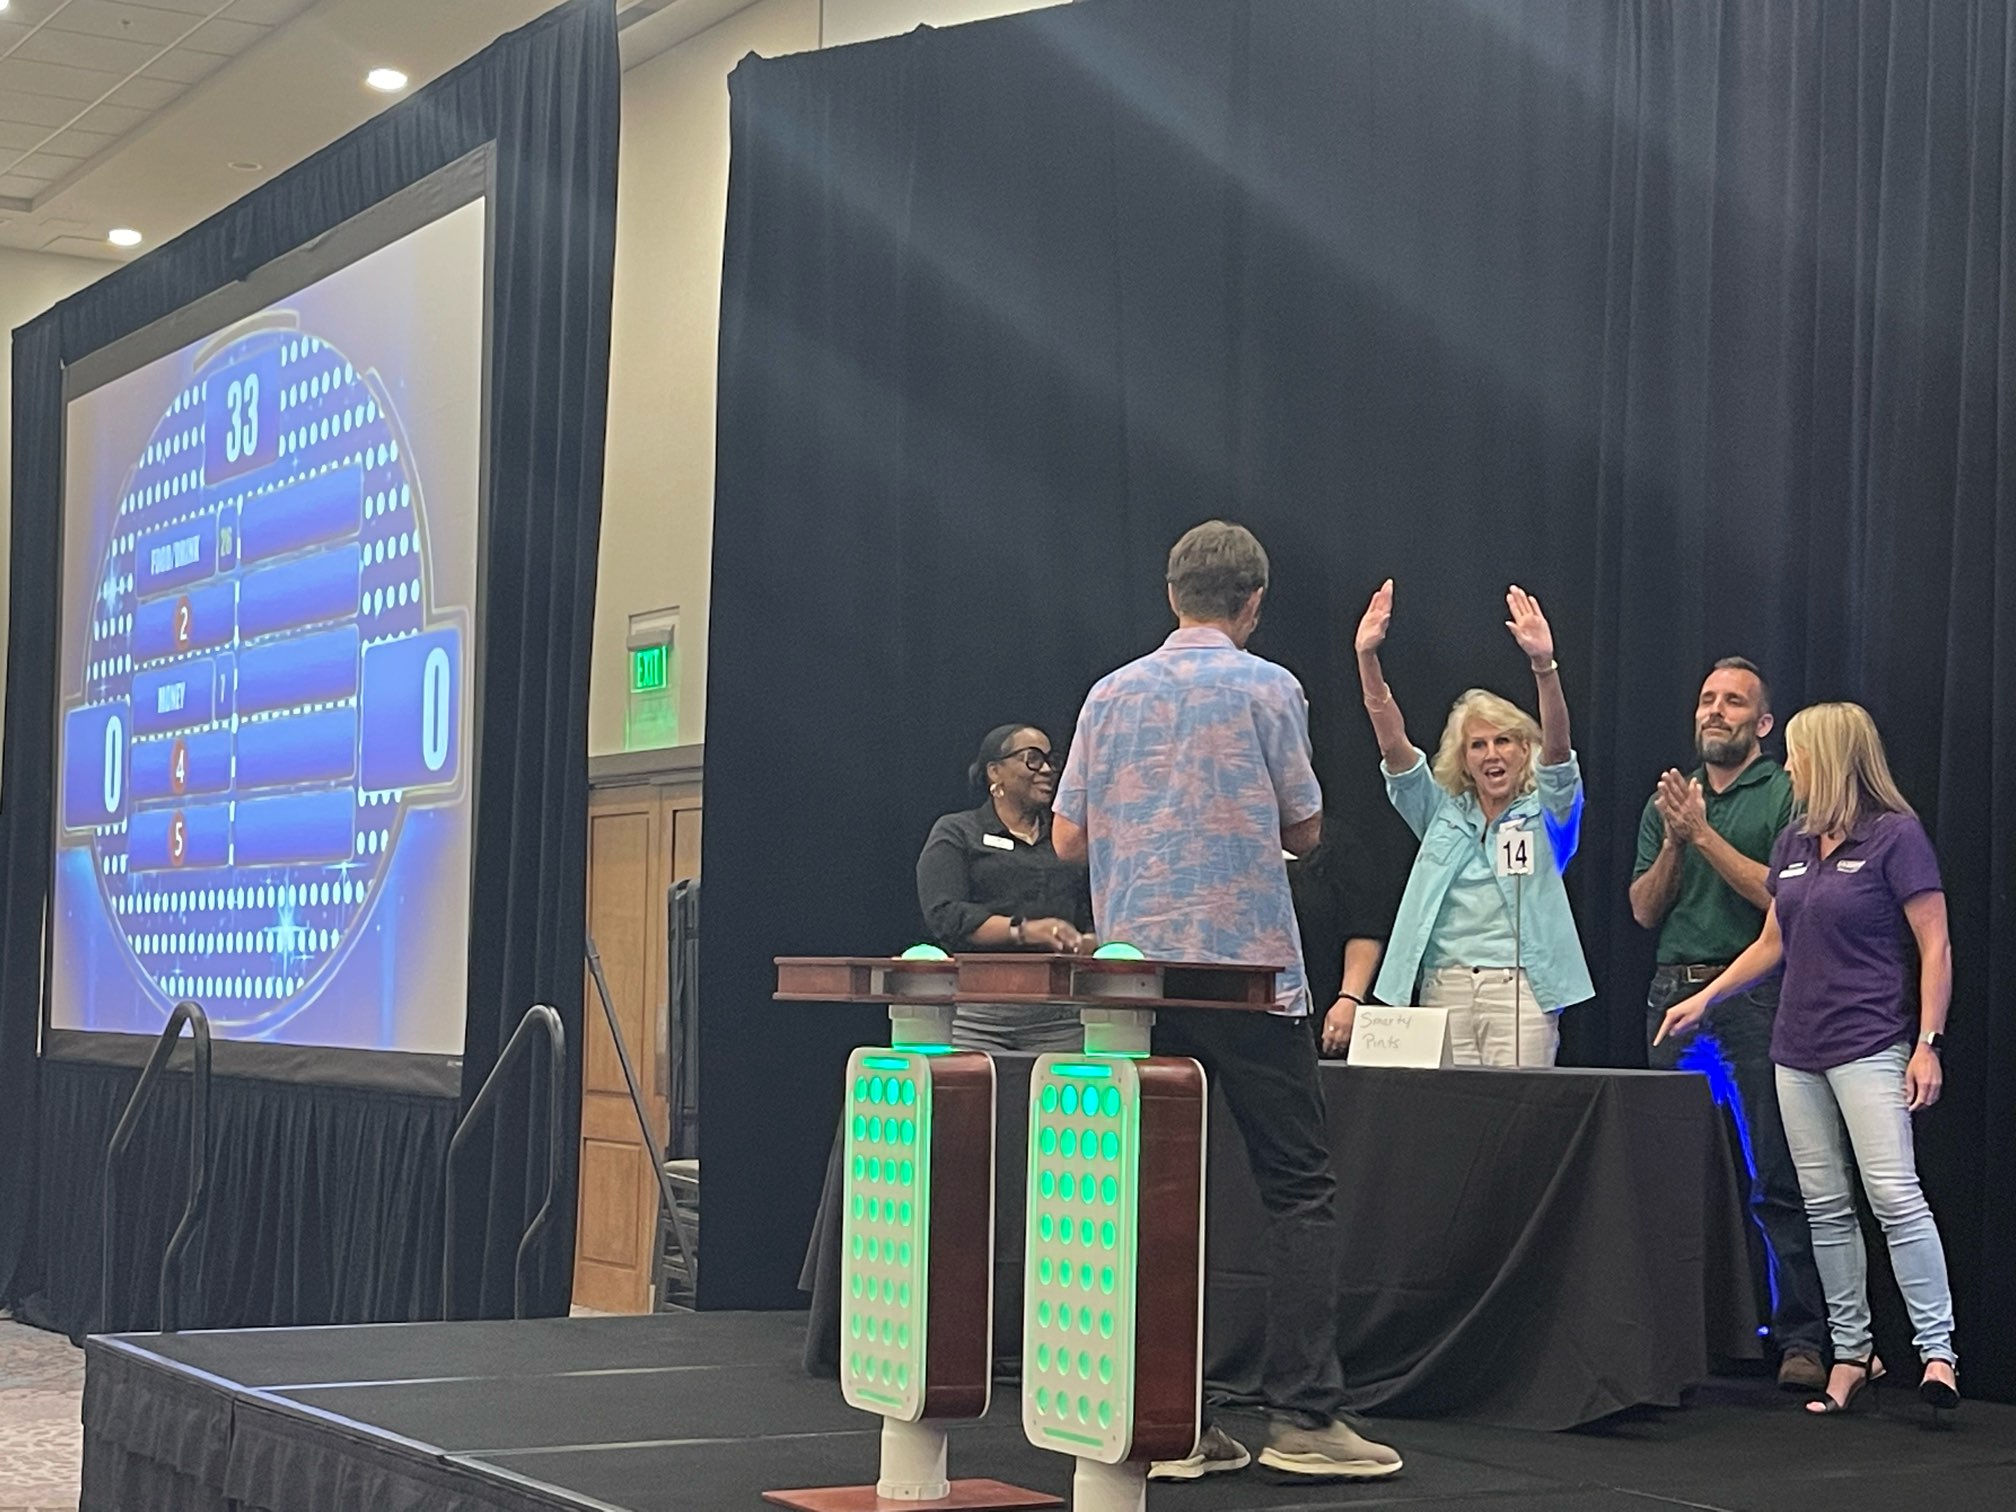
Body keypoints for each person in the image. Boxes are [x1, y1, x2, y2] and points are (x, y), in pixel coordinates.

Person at [1053, 520, 1402, 1483]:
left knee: (1148, 1191)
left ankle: (1166, 1419)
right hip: (1244, 975)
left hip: (1134, 982)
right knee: (1296, 1188)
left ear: (1173, 597)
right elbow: (1306, 826)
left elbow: (1069, 840)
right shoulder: (1269, 687)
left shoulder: (1108, 694)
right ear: (1253, 603)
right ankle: (1304, 1416)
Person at [1657, 702, 1958, 1420]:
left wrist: (1927, 1044)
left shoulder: (1895, 836)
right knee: (1824, 1206)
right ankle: (1851, 1354)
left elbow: (1935, 944)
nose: (1789, 767)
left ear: (1830, 758)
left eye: (1797, 754)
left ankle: (1938, 1351)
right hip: (1796, 1048)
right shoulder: (1794, 841)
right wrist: (1706, 999)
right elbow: (1773, 942)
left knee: (1894, 1196)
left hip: (1869, 1042)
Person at [1630, 658, 1828, 1393]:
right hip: (1671, 994)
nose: (1715, 711)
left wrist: (1705, 835)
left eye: (1734, 702)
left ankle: (1802, 1339)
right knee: (1671, 1174)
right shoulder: (1668, 802)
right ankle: (1681, 1339)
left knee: (1773, 1172)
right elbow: (1643, 910)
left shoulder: (1785, 793)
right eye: (1707, 699)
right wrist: (1676, 838)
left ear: (1763, 724)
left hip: (1754, 996)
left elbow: (1785, 898)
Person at [1352, 579, 1592, 1065]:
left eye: (1503, 741)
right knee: (1448, 1110)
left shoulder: (1549, 811)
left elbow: (1559, 754)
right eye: (1477, 745)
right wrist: (1367, 659)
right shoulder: (1440, 810)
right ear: (1463, 758)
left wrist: (1543, 667)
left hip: (1521, 988)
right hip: (1444, 986)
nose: (1491, 754)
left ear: (1524, 748)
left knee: (1521, 1109)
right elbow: (1394, 748)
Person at [915, 723, 1094, 1051]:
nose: (1047, 770)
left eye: (1051, 760)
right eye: (1032, 759)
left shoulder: (1065, 839)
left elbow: (1093, 906)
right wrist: (1025, 931)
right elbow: (945, 914)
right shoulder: (958, 832)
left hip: (1063, 1017)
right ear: (994, 771)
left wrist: (1091, 940)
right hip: (976, 1016)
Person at [1286, 827, 1390, 1058]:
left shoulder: (1343, 845)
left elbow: (1365, 927)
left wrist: (1349, 998)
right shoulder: (1239, 847)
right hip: (1256, 1012)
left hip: (1326, 1012)